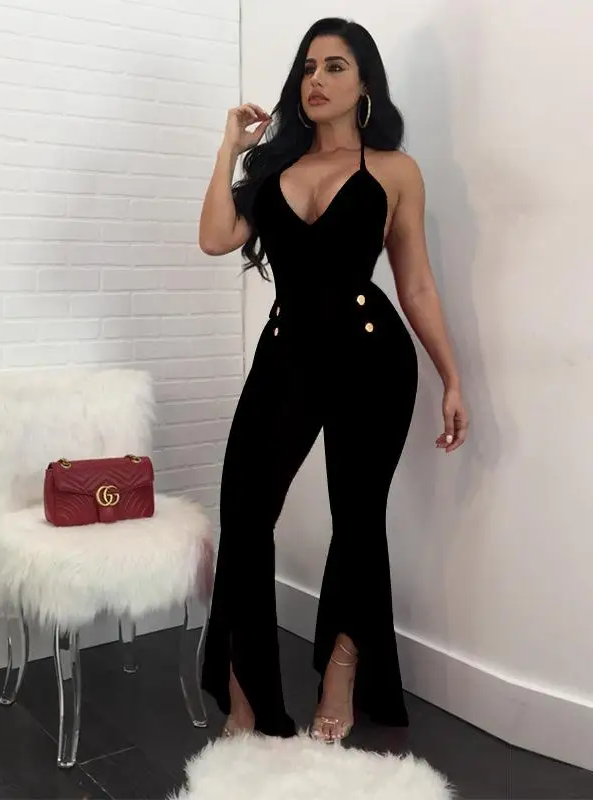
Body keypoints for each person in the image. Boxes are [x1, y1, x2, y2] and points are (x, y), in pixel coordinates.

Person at [197, 17, 469, 743]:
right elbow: (215, 237)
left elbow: (416, 285)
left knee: (357, 518)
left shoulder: (395, 171)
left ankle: (342, 670)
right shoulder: (272, 170)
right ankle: (246, 688)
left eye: (335, 67)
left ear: (365, 83)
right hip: (285, 355)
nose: (315, 80)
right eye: (308, 67)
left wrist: (451, 376)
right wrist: (230, 150)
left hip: (372, 358)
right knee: (246, 515)